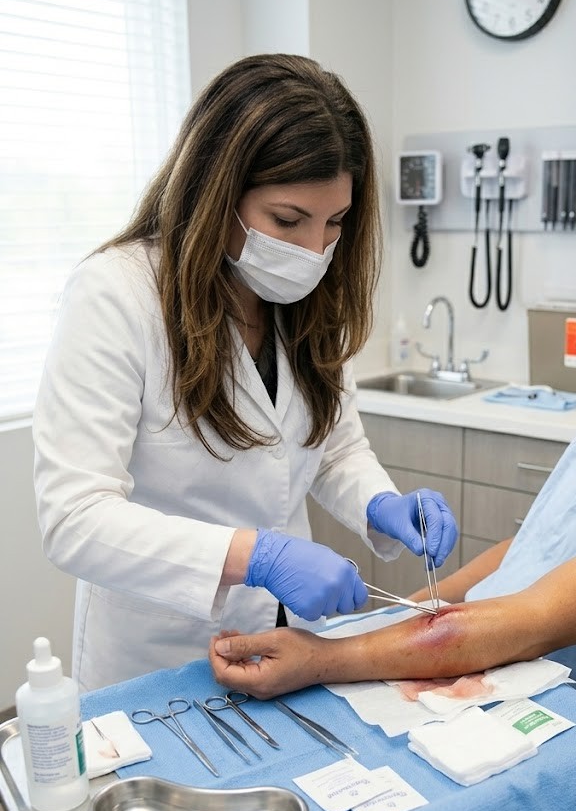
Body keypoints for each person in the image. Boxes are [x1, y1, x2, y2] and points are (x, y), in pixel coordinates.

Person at [209, 202, 576, 752]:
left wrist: (326, 655)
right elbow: (537, 542)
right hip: (474, 678)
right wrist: (409, 611)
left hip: (553, 734)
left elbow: (530, 623)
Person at [32, 54, 457, 691]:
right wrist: (253, 556)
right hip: (158, 645)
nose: (315, 250)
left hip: (285, 638)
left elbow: (332, 446)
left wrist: (382, 502)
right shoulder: (117, 294)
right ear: (215, 191)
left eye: (334, 222)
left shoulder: (306, 299)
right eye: (288, 221)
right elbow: (75, 518)